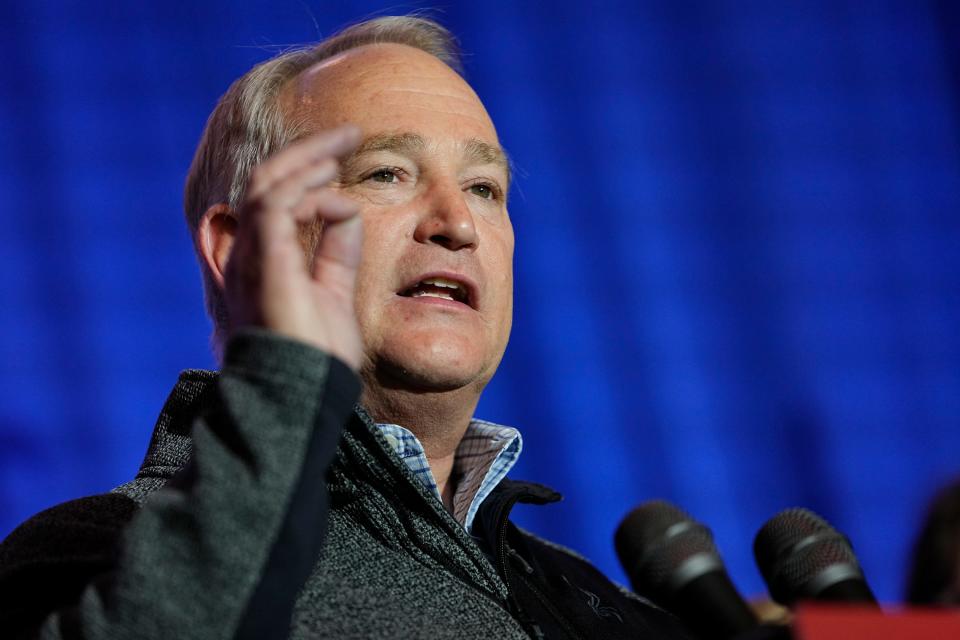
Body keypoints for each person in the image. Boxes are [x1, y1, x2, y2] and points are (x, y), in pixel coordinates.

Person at [0, 16, 692, 639]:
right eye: (387, 173)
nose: (456, 224)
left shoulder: (593, 600)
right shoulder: (104, 551)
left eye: (484, 188)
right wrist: (286, 379)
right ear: (238, 247)